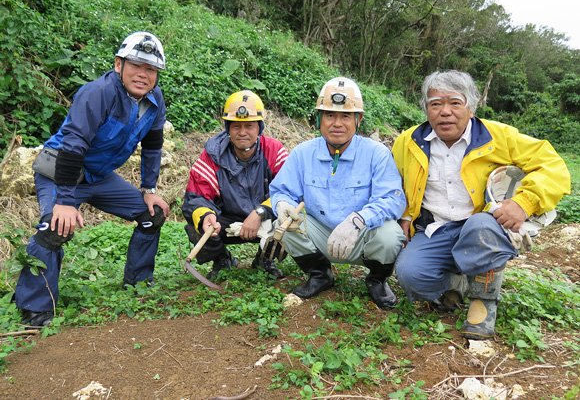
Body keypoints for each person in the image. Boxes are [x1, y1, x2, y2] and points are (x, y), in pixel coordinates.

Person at [392, 69, 570, 339]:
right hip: (435, 227)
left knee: (479, 227)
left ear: (471, 108)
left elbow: (553, 165)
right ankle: (461, 283)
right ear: (426, 109)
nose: (445, 111)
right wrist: (405, 216)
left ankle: (483, 302)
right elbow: (396, 182)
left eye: (455, 102)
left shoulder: (499, 137)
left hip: (481, 224)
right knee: (410, 276)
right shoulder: (408, 141)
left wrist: (524, 202)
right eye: (435, 104)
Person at [15, 31, 170, 328]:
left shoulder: (154, 100)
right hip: (59, 168)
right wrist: (64, 201)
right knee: (54, 227)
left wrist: (149, 189)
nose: (143, 74)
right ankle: (35, 308)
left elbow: (153, 144)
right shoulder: (97, 93)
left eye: (151, 69)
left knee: (153, 214)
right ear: (118, 64)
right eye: (135, 64)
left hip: (97, 175)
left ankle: (138, 284)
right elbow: (73, 147)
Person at [269, 77, 407, 309]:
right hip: (320, 233)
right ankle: (320, 274)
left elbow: (392, 198)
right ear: (319, 119)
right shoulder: (303, 153)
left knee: (390, 235)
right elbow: (282, 190)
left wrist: (359, 220)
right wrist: (283, 205)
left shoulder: (377, 153)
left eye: (345, 116)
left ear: (358, 120)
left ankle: (377, 280)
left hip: (361, 234)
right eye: (330, 115)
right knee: (283, 225)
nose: (337, 123)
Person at [181, 90, 289, 279]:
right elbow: (196, 197)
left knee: (289, 221)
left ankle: (265, 260)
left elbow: (290, 193)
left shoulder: (275, 151)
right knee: (195, 224)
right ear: (227, 128)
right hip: (226, 220)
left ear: (259, 127)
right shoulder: (212, 156)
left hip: (265, 218)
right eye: (236, 126)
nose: (242, 132)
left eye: (249, 126)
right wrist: (205, 215)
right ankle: (222, 260)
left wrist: (261, 212)